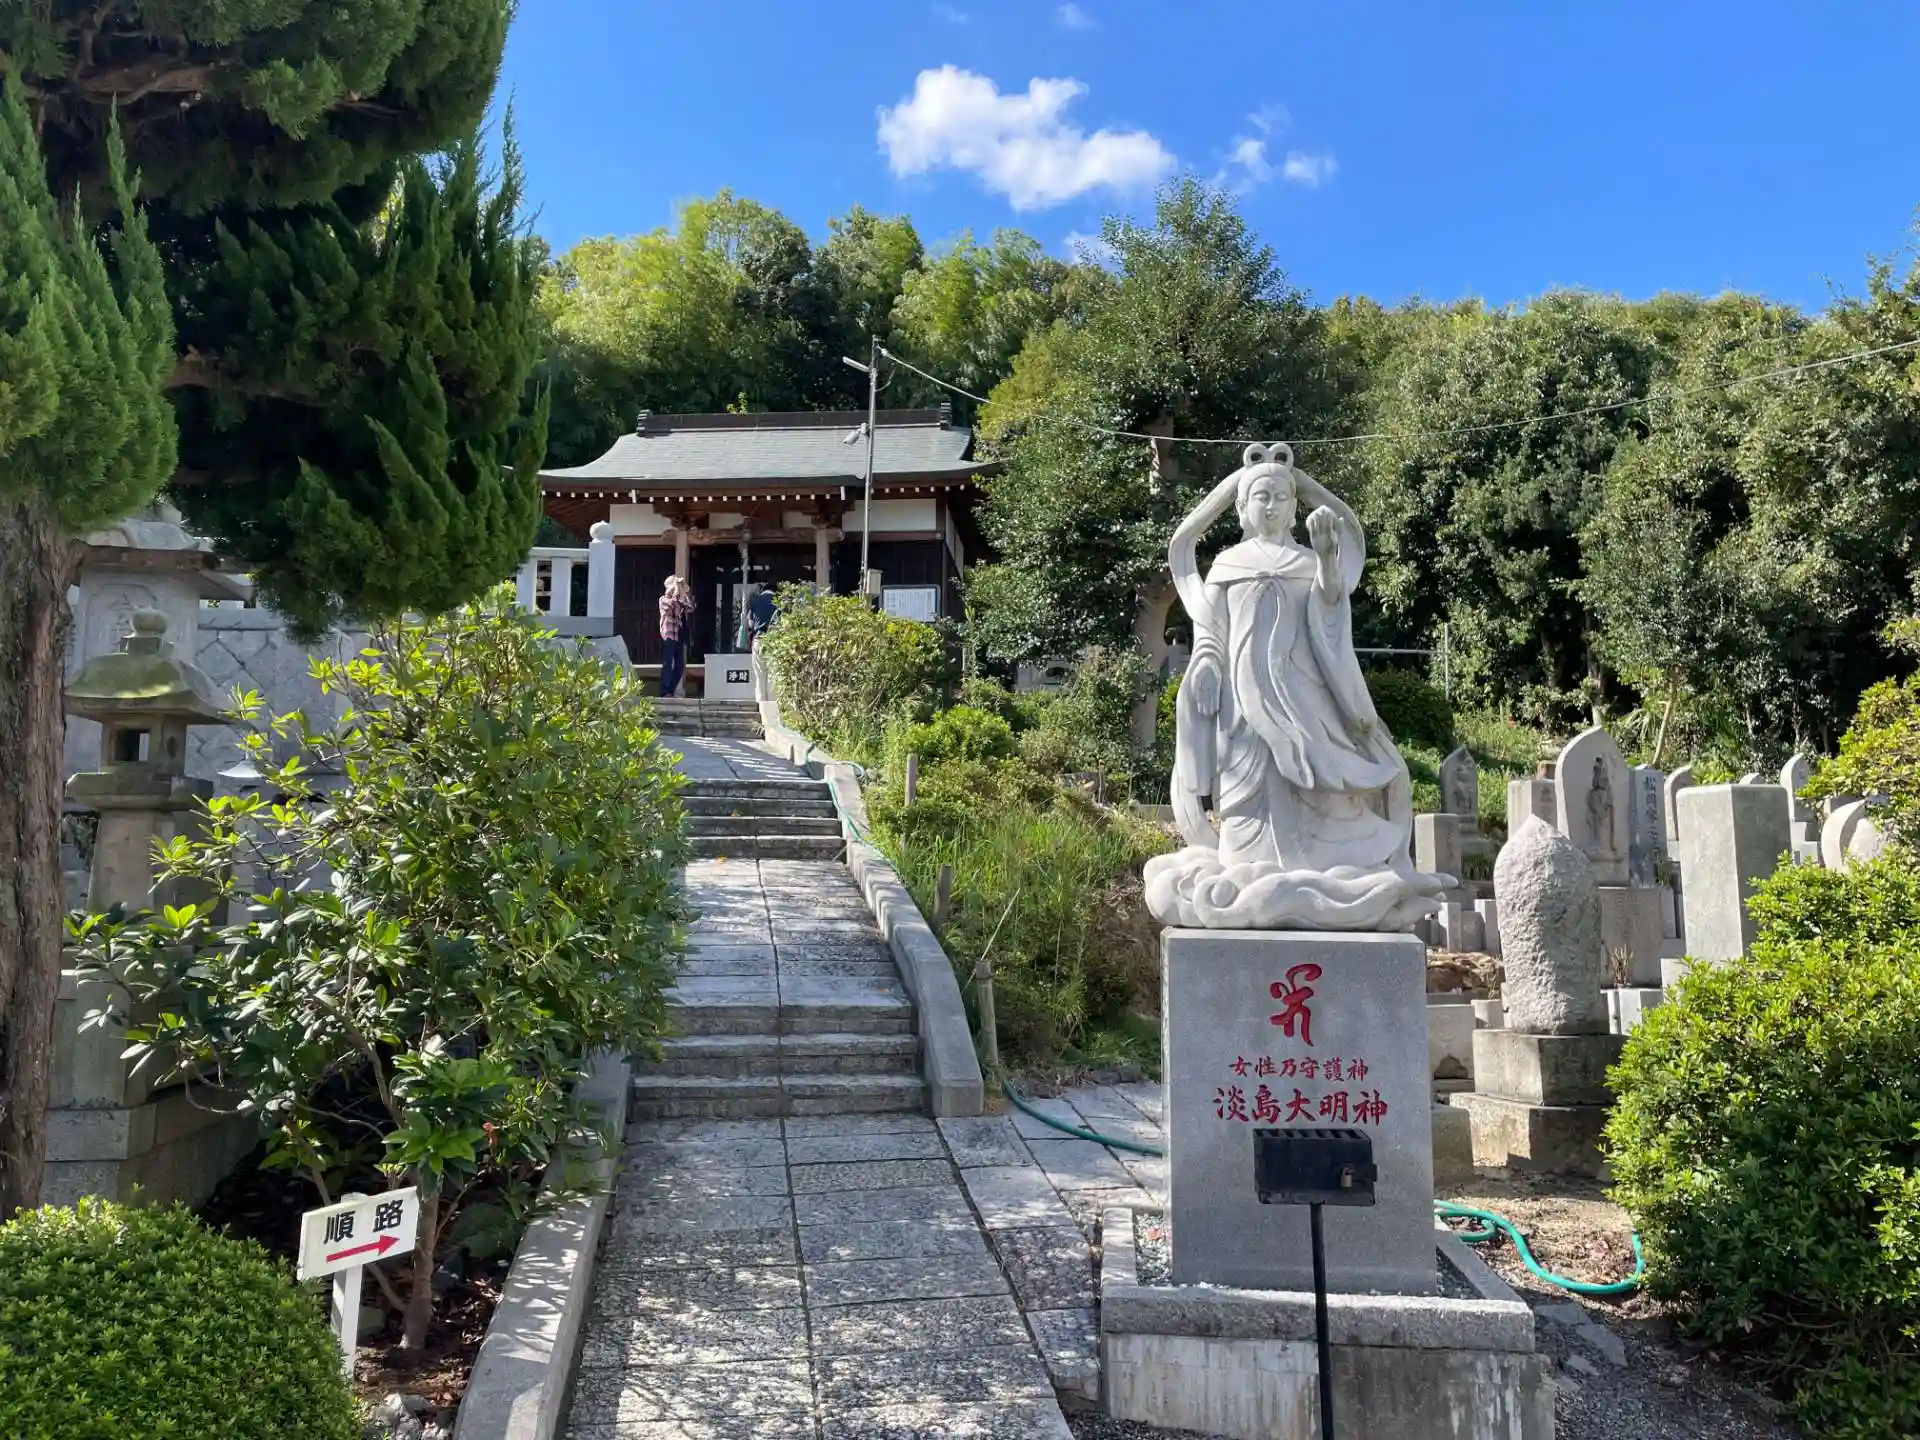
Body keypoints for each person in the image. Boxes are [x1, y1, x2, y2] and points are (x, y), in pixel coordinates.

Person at [658, 575, 696, 697]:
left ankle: (671, 690)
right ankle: (664, 691)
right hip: (668, 634)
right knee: (668, 663)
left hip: (678, 635)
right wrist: (676, 589)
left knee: (680, 666)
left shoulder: (680, 600)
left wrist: (683, 591)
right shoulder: (663, 599)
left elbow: (691, 607)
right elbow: (673, 606)